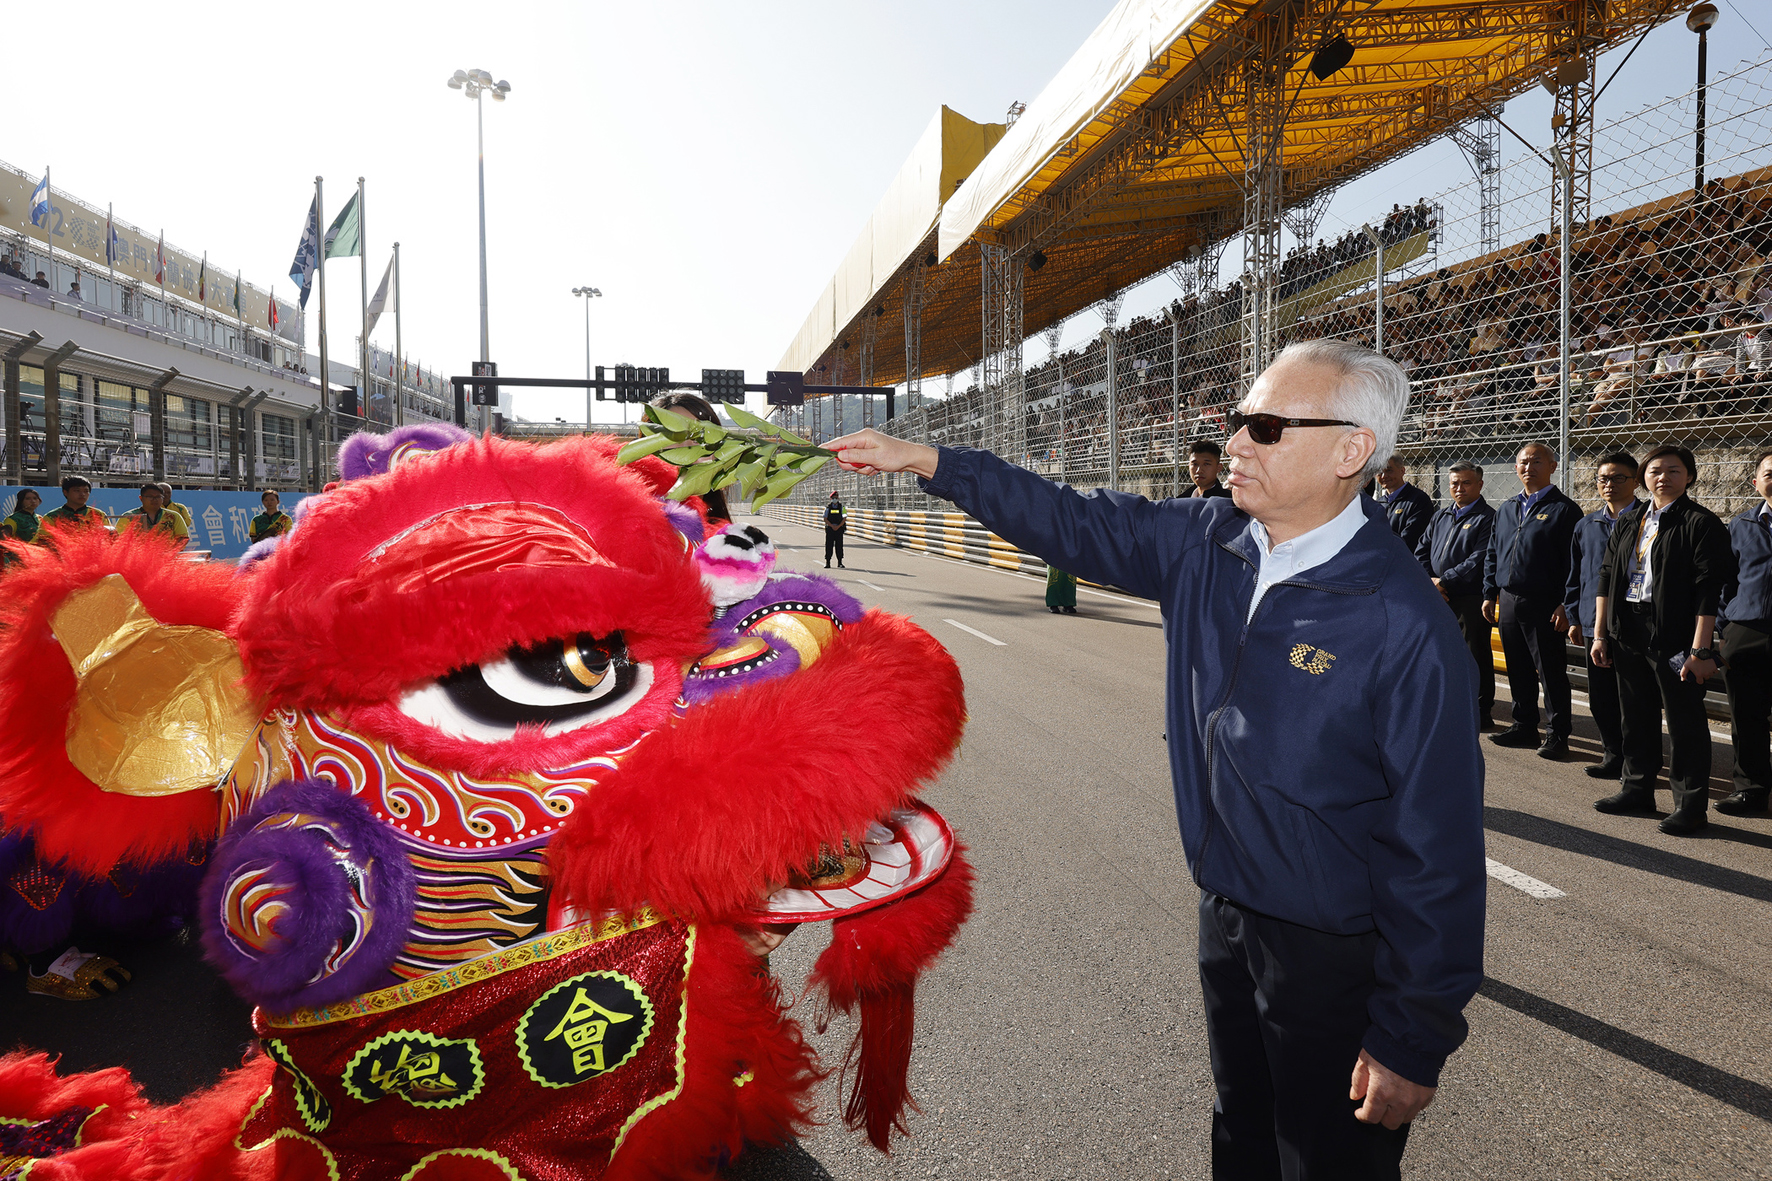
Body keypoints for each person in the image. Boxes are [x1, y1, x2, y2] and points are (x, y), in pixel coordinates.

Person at [828, 338, 1484, 1178]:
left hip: (1333, 955)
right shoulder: (1207, 540)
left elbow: (1438, 848)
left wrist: (1411, 1036)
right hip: (1228, 918)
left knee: (1328, 1161)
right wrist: (931, 461)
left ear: (1351, 451)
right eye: (1239, 420)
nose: (1235, 442)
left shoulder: (1403, 623)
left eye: (1266, 427)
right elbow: (1070, 520)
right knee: (1241, 1134)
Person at [1591, 444, 1735, 835]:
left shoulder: (1701, 523)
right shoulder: (1631, 519)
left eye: (1674, 470)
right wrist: (1601, 633)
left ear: (1689, 477)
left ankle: (1690, 805)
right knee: (1635, 714)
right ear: (1643, 477)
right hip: (1628, 629)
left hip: (1675, 635)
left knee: (1685, 721)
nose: (1663, 477)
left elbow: (1709, 590)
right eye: (1655, 470)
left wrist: (1700, 649)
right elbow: (1607, 576)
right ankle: (1636, 789)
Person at [1483, 442, 1582, 759]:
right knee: (1517, 667)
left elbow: (1574, 563)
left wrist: (1566, 603)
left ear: (1553, 466)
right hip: (1509, 599)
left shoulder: (1565, 510)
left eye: (1537, 461)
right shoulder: (1507, 508)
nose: (1529, 467)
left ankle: (1557, 735)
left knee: (1550, 672)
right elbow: (1493, 553)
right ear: (1516, 468)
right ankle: (1524, 725)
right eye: (1523, 462)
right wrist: (1489, 592)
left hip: (1545, 603)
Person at [1565, 453, 1643, 781]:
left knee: (1633, 698)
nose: (1609, 484)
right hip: (1592, 622)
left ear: (1635, 481)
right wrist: (1573, 616)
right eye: (1602, 479)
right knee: (1600, 696)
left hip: (1634, 624)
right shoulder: (1586, 525)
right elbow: (1575, 575)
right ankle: (1612, 754)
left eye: (1618, 478)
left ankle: (1637, 762)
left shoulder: (1648, 520)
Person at [1415, 462, 1496, 728]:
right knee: (1439, 654)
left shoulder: (1488, 518)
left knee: (1474, 655)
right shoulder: (1441, 516)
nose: (1459, 488)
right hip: (1436, 596)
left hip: (1468, 598)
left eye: (1466, 483)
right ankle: (1447, 704)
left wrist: (1444, 581)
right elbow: (1421, 551)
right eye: (1454, 483)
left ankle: (1481, 711)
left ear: (1480, 485)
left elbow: (1479, 558)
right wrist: (1430, 583)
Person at [1716, 449, 1772, 816]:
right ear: (1755, 482)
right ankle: (1751, 791)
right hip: (1746, 631)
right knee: (1747, 716)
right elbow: (1725, 583)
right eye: (1770, 473)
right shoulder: (1740, 525)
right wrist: (1725, 630)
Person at [650, 391, 731, 523]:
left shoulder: (733, 533)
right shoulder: (624, 525)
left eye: (700, 437)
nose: (687, 446)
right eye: (673, 436)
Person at [1373, 455, 1433, 554]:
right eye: (1379, 472)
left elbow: (1410, 539)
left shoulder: (1418, 500)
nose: (1384, 476)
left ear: (1402, 471)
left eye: (1389, 470)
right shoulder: (1377, 504)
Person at [116, 483, 189, 551]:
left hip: (168, 558)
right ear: (141, 498)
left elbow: (183, 538)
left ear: (162, 498)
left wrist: (169, 552)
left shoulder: (174, 516)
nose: (154, 499)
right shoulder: (129, 516)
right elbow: (119, 540)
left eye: (158, 497)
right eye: (150, 497)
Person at [41, 476, 108, 531]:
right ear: (65, 492)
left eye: (86, 491)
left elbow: (108, 537)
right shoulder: (52, 516)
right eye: (77, 490)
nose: (82, 494)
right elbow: (42, 540)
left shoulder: (98, 515)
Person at [822, 490, 846, 569]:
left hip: (839, 529)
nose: (834, 499)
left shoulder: (842, 507)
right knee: (829, 546)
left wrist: (838, 526)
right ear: (831, 499)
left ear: (838, 498)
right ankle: (828, 562)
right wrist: (832, 526)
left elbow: (844, 518)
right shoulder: (828, 508)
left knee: (839, 546)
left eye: (836, 498)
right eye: (833, 498)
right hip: (830, 529)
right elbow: (825, 518)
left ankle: (840, 562)